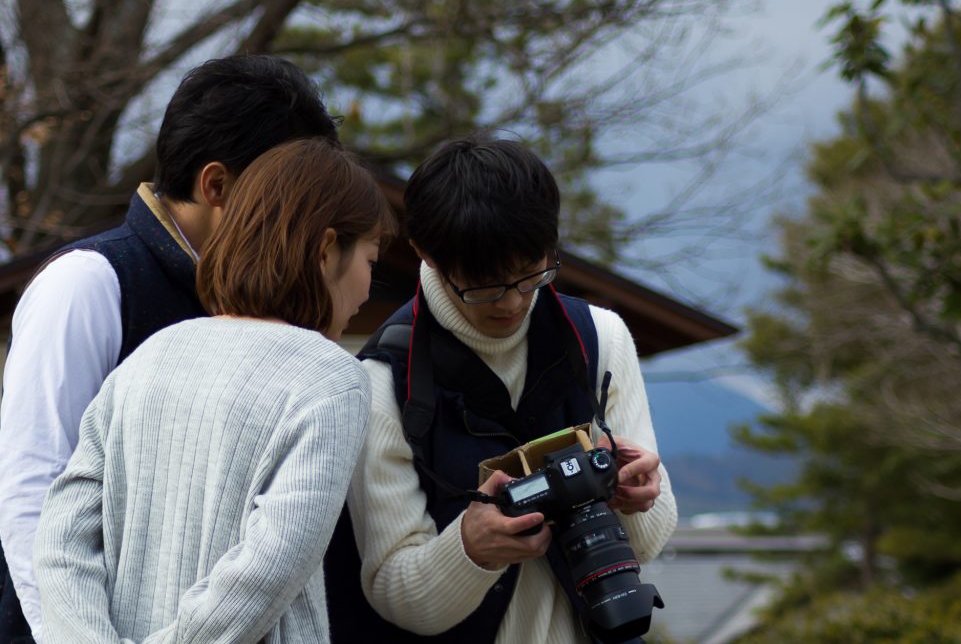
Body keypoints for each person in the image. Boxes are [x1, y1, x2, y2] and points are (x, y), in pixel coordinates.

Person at [0, 54, 338, 643]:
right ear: (216, 185)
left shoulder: (267, 307)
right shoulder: (88, 282)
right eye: (287, 189)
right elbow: (36, 500)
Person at [33, 137, 394, 643]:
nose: (367, 288)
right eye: (371, 262)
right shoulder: (331, 378)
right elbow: (268, 568)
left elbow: (60, 540)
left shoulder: (153, 354)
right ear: (327, 249)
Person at [336, 137, 677, 642]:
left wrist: (638, 496)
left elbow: (645, 545)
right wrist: (469, 549)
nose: (513, 303)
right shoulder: (384, 384)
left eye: (531, 275)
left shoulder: (599, 340)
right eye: (485, 285)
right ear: (426, 254)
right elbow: (393, 591)